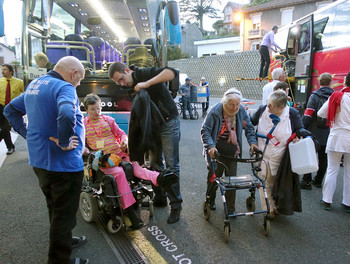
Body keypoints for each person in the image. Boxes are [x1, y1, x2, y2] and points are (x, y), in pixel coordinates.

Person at [4, 56, 89, 264]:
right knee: (65, 215)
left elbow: (10, 110)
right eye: (79, 81)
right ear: (74, 74)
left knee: (55, 208)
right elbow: (67, 113)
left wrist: (27, 134)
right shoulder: (64, 87)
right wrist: (63, 140)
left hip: (40, 161)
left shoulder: (36, 84)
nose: (77, 85)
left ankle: (65, 240)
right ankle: (60, 259)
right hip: (64, 165)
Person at [82, 93, 178, 229]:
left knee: (135, 167)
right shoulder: (83, 125)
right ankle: (132, 216)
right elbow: (80, 143)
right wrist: (85, 149)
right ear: (86, 110)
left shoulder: (108, 120)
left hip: (119, 153)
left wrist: (124, 141)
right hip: (103, 159)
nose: (96, 112)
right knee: (120, 173)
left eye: (98, 108)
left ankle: (160, 178)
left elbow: (120, 133)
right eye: (92, 109)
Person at [108, 62, 182, 224]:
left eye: (121, 79)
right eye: (118, 82)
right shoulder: (129, 88)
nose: (121, 83)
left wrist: (146, 84)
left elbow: (172, 73)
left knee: (171, 165)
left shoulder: (144, 73)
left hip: (169, 122)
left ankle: (176, 205)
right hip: (152, 127)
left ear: (127, 70)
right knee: (155, 164)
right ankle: (160, 197)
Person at [201, 88, 258, 213]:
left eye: (237, 104)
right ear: (225, 103)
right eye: (231, 105)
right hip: (216, 150)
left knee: (231, 181)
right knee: (214, 178)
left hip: (232, 151)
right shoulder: (215, 111)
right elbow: (205, 130)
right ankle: (210, 200)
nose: (235, 108)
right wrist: (210, 146)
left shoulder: (241, 110)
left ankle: (230, 209)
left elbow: (249, 128)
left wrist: (253, 143)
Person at [250, 90, 304, 217]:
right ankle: (268, 209)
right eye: (268, 103)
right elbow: (250, 122)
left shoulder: (292, 114)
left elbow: (300, 129)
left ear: (281, 108)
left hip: (280, 156)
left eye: (271, 105)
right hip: (262, 154)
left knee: (277, 183)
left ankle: (279, 205)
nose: (268, 106)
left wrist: (299, 137)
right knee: (265, 182)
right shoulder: (263, 109)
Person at [318, 72, 350, 212]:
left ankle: (327, 200)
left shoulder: (336, 96)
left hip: (337, 136)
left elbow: (320, 113)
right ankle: (347, 203)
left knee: (332, 169)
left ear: (345, 82)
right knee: (349, 172)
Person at [300, 73, 334, 190]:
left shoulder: (314, 96)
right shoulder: (335, 97)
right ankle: (318, 180)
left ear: (319, 82)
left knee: (309, 156)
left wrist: (302, 129)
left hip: (313, 132)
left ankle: (307, 180)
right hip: (328, 133)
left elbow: (308, 114)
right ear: (331, 82)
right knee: (323, 158)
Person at [0, 64, 24, 154]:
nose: (2, 71)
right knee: (4, 128)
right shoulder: (0, 81)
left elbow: (25, 95)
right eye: (2, 69)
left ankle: (10, 147)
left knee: (6, 128)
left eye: (5, 69)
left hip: (11, 108)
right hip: (0, 107)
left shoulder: (19, 82)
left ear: (11, 71)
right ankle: (10, 147)